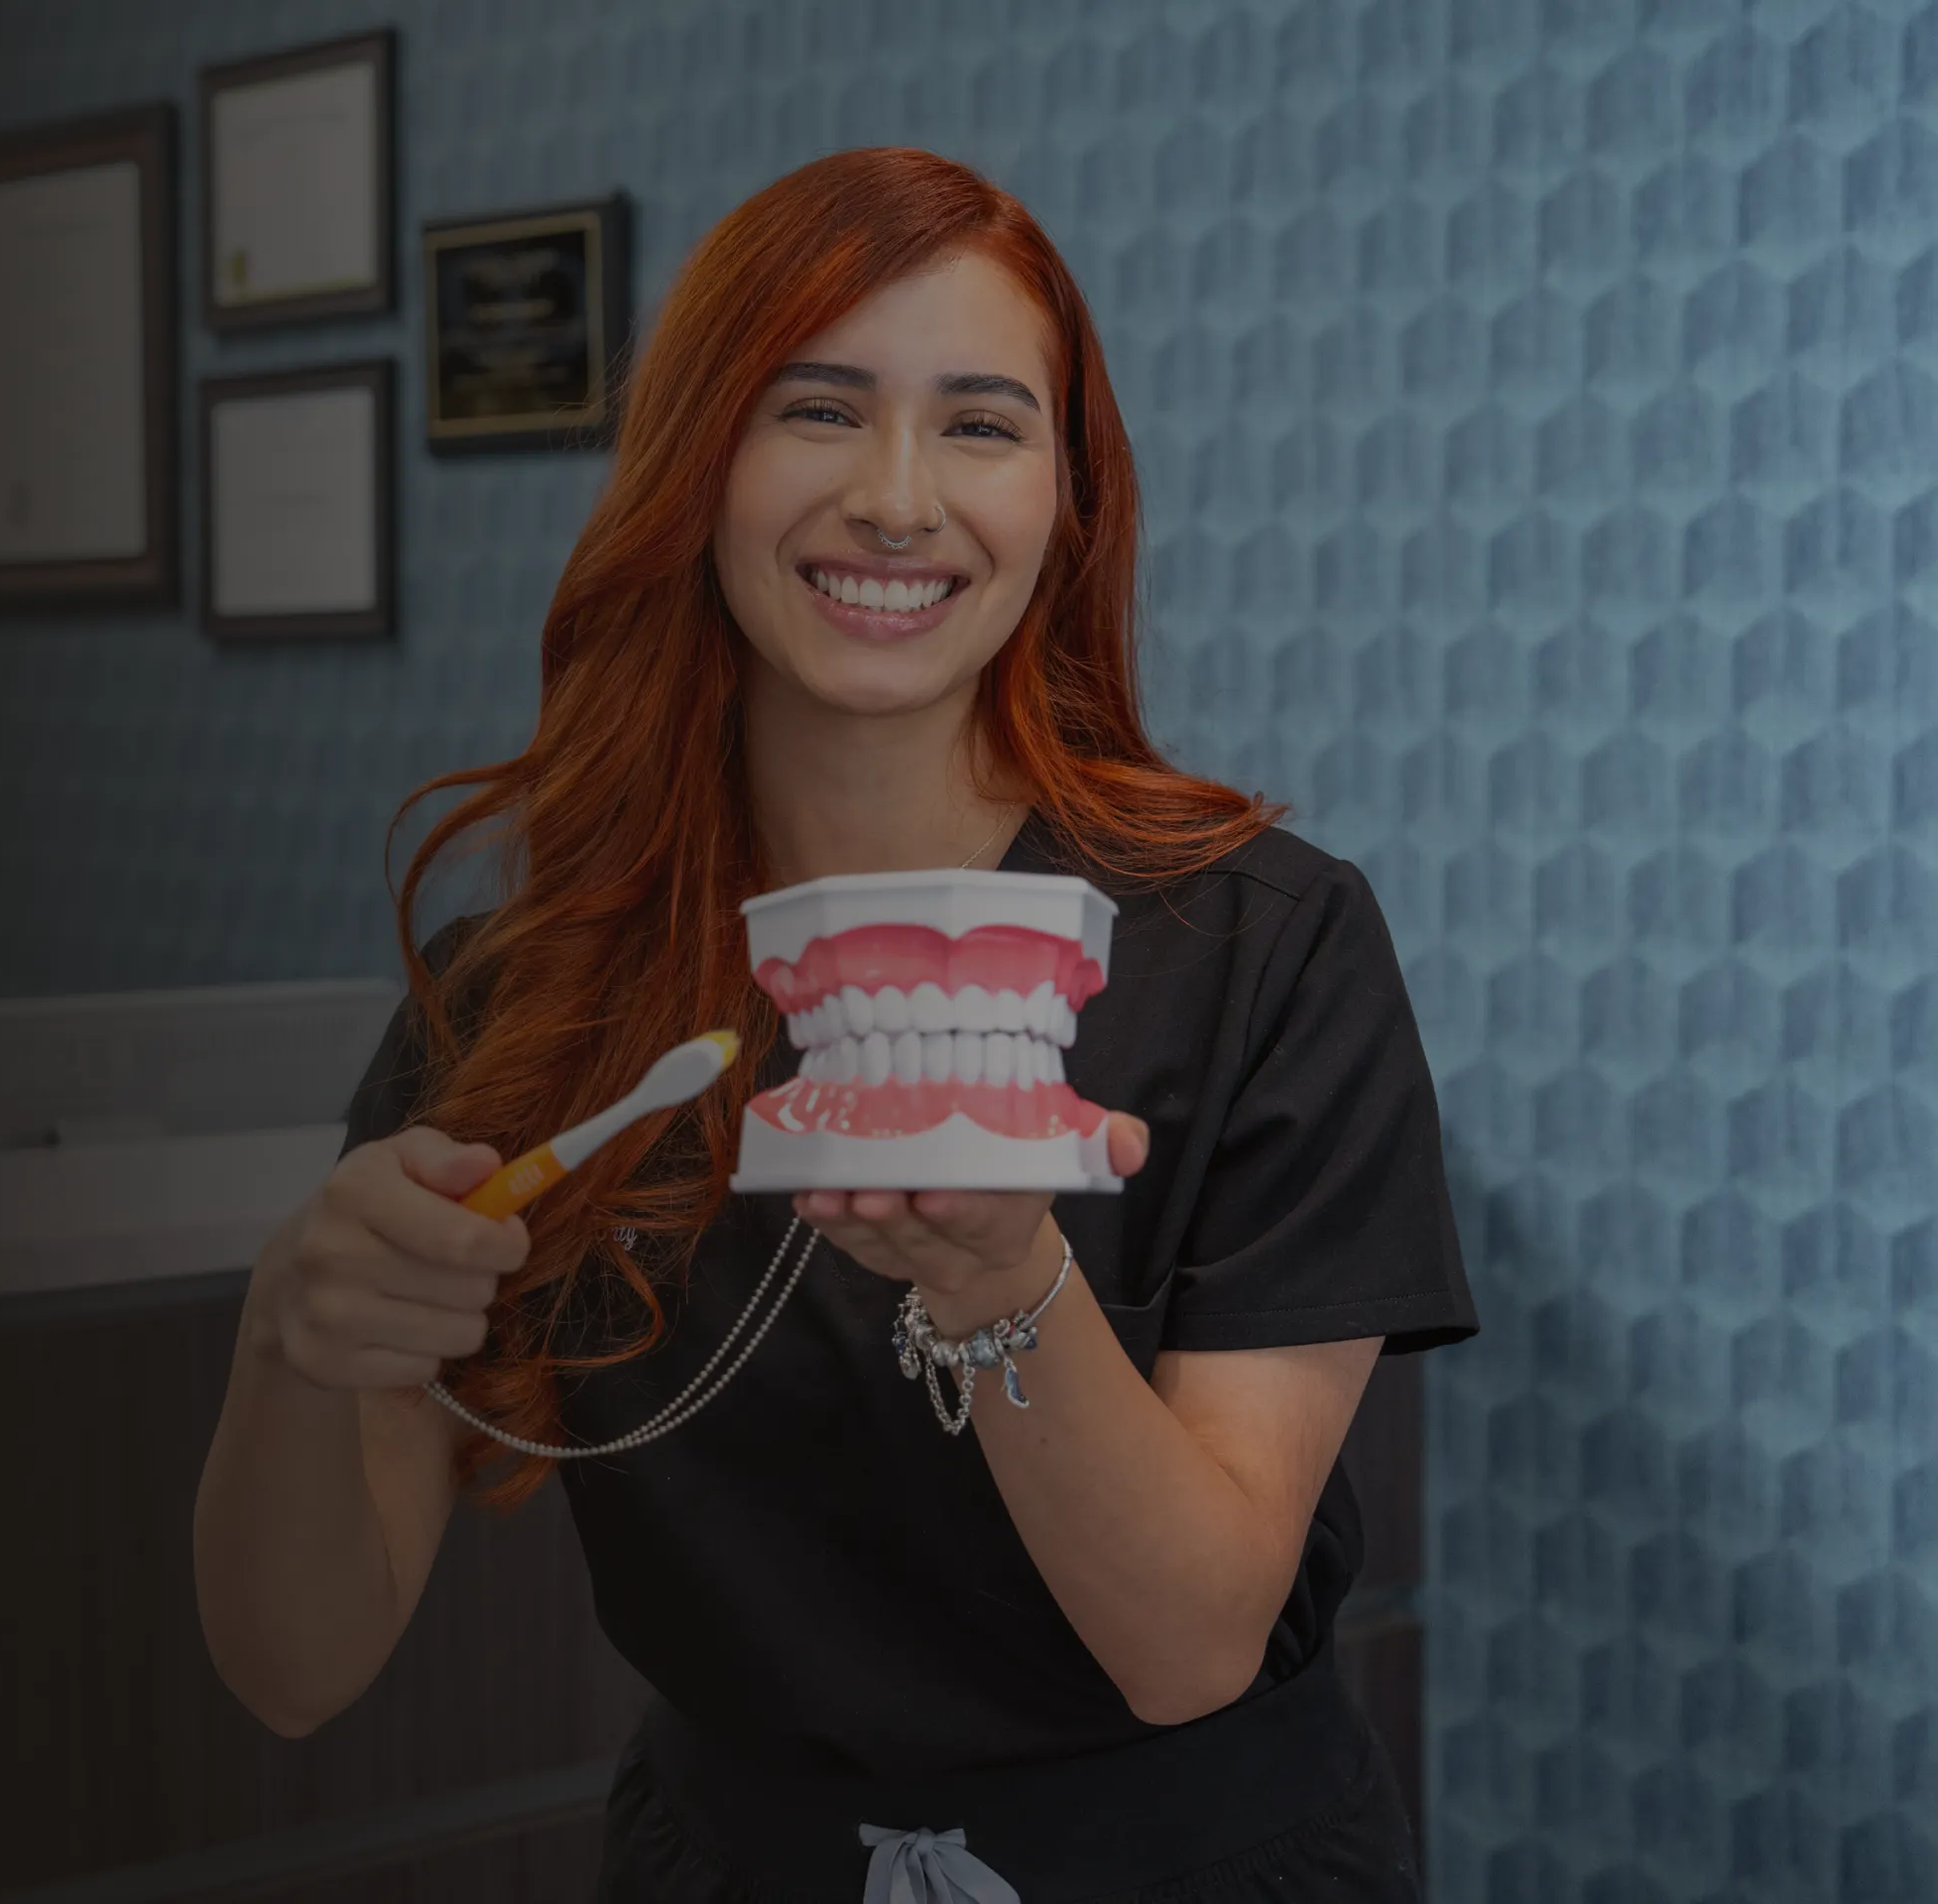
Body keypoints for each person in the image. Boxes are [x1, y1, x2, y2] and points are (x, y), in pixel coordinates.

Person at [191, 148, 1480, 1902]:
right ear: (700, 466)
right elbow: (293, 1669)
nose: (896, 497)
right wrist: (289, 1340)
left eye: (979, 424)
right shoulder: (533, 1001)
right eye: (818, 407)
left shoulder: (1272, 946)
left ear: (1065, 500)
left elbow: (1192, 1645)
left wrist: (1002, 1279)